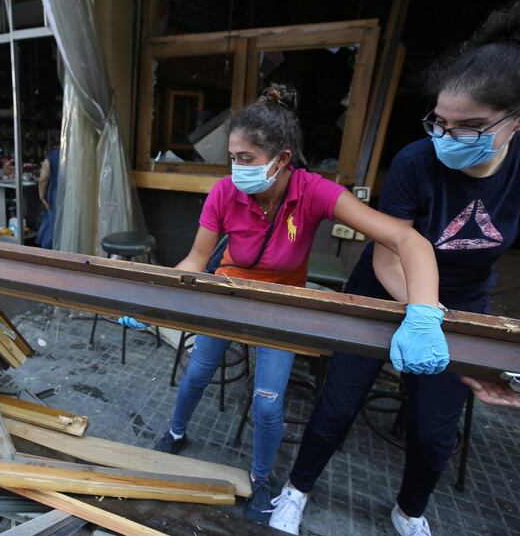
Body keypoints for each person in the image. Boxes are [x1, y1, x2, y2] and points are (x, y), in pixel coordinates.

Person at [268, 0, 520, 536]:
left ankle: (410, 511)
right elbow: (389, 251)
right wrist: (419, 313)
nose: (448, 138)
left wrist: (473, 343)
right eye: (440, 122)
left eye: (469, 126)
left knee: (434, 431)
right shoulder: (414, 161)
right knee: (337, 404)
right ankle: (297, 489)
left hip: (460, 306)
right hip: (385, 293)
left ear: (515, 122)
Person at [153, 83, 446, 525]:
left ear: (283, 159)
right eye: (232, 158)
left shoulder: (313, 192)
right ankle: (174, 433)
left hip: (284, 303)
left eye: (246, 159)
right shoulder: (223, 193)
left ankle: (261, 480)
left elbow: (404, 237)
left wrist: (424, 309)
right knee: (197, 371)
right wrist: (155, 294)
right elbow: (196, 260)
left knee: (269, 403)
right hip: (228, 292)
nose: (236, 170)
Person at [36, 147, 60, 249]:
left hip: (56, 195)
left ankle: (47, 253)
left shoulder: (53, 156)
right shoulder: (79, 153)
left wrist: (42, 197)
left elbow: (43, 179)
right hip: (73, 196)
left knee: (52, 225)